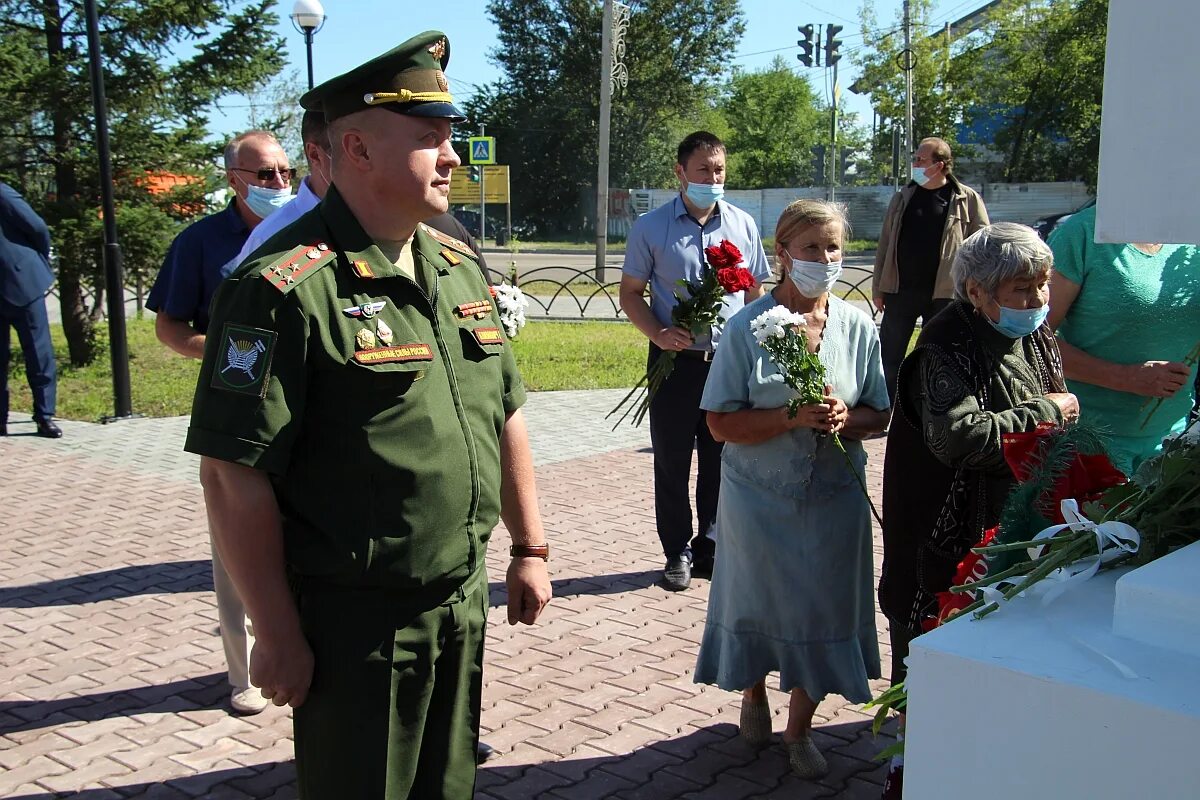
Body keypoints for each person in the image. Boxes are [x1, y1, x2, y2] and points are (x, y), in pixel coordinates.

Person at [184, 32, 552, 799]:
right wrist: (275, 631)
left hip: (459, 601)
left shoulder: (454, 266)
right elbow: (231, 474)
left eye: (449, 138)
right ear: (356, 147)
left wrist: (531, 547)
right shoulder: (280, 288)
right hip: (356, 626)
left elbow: (505, 411)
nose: (451, 157)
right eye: (429, 139)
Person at [877, 222, 1078, 799]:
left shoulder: (1030, 333)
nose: (1037, 300)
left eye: (1041, 285)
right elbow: (960, 439)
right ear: (977, 293)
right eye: (1021, 288)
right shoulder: (944, 346)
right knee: (930, 658)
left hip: (1011, 523)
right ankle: (911, 772)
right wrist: (1049, 411)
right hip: (945, 532)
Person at [694, 199, 891, 779]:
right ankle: (752, 692)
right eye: (810, 248)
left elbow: (879, 413)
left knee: (823, 605)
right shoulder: (746, 326)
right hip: (759, 498)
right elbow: (719, 422)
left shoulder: (857, 326)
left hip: (834, 496)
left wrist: (842, 417)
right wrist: (789, 417)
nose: (824, 260)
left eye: (833, 248)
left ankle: (800, 728)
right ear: (782, 253)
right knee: (757, 599)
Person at [145, 130, 292, 716]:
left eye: (284, 171)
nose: (279, 184)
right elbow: (169, 327)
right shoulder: (201, 242)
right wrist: (229, 350)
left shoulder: (302, 229)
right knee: (235, 543)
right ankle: (244, 672)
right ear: (234, 179)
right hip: (234, 411)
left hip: (303, 407)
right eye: (264, 176)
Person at [619, 131, 770, 592]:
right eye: (703, 170)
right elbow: (630, 295)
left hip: (725, 363)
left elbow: (754, 292)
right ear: (680, 173)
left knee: (720, 456)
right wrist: (660, 333)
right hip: (674, 362)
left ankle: (710, 542)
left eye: (719, 170)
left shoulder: (743, 224)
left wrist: (749, 344)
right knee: (671, 458)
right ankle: (675, 550)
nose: (713, 178)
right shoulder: (651, 227)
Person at [1047, 203, 1200, 476]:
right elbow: (1034, 342)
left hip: (1176, 442)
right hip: (1092, 443)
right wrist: (1124, 377)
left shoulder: (1191, 235)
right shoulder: (1081, 233)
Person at [872, 137, 990, 401]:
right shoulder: (903, 197)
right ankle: (882, 410)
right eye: (915, 159)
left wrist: (974, 290)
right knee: (889, 357)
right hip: (900, 291)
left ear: (939, 165)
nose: (914, 164)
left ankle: (931, 411)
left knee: (937, 356)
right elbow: (885, 245)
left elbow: (982, 248)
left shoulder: (966, 199)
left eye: (920, 160)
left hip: (945, 294)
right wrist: (879, 287)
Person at [0, 182, 60, 438]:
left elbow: (36, 226)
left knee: (38, 352)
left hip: (21, 280)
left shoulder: (1, 192)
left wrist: (38, 260)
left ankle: (44, 417)